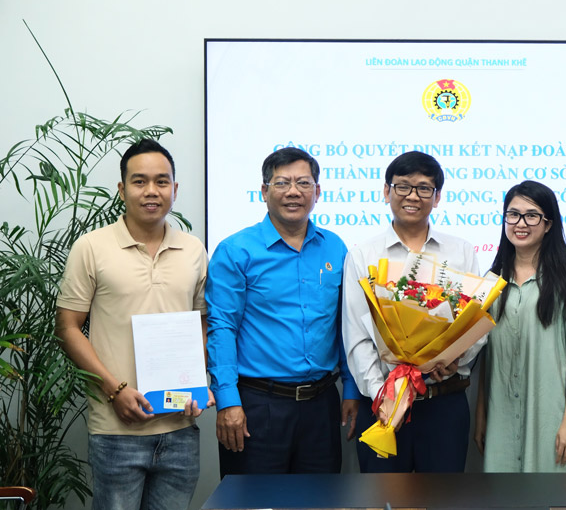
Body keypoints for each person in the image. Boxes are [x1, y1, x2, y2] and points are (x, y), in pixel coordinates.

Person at [56, 139, 211, 510]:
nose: (151, 191)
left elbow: (202, 325)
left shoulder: (193, 249)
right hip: (116, 429)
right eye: (140, 181)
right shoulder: (91, 247)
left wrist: (197, 383)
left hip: (179, 427)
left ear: (175, 189)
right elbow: (68, 327)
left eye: (162, 181)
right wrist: (115, 390)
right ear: (122, 189)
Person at [207, 146, 360, 476]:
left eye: (304, 183)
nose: (293, 192)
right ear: (264, 191)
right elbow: (222, 327)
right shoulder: (236, 250)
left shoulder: (336, 247)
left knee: (320, 503)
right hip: (258, 405)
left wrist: (350, 388)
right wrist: (228, 400)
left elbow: (344, 325)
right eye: (282, 183)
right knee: (252, 503)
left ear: (317, 192)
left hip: (322, 404)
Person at [342, 151, 481, 472]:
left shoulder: (461, 252)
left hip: (444, 403)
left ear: (437, 197)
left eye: (423, 188)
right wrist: (383, 395)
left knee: (443, 502)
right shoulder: (364, 255)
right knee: (382, 501)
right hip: (382, 406)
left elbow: (474, 324)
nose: (412, 196)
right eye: (403, 187)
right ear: (386, 191)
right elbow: (357, 335)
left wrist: (455, 359)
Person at [475, 180, 566, 472]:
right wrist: (481, 414)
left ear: (549, 223)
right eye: (512, 214)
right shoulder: (490, 283)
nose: (520, 223)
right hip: (500, 413)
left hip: (549, 416)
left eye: (532, 215)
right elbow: (485, 355)